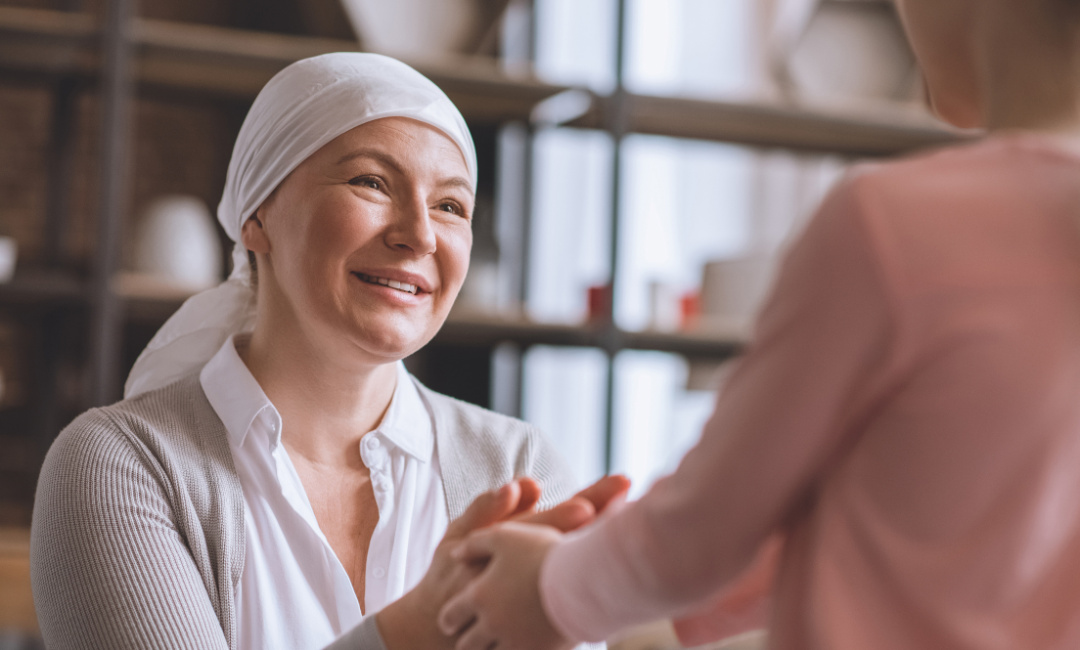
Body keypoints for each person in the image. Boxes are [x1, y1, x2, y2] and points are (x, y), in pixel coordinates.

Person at [436, 0, 1080, 648]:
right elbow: (920, 517)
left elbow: (702, 533)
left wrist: (548, 590)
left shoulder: (893, 223)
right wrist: (598, 555)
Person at [30, 52, 627, 650]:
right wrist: (417, 629)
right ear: (256, 215)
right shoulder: (122, 466)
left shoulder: (516, 465)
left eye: (450, 206)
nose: (419, 234)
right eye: (370, 182)